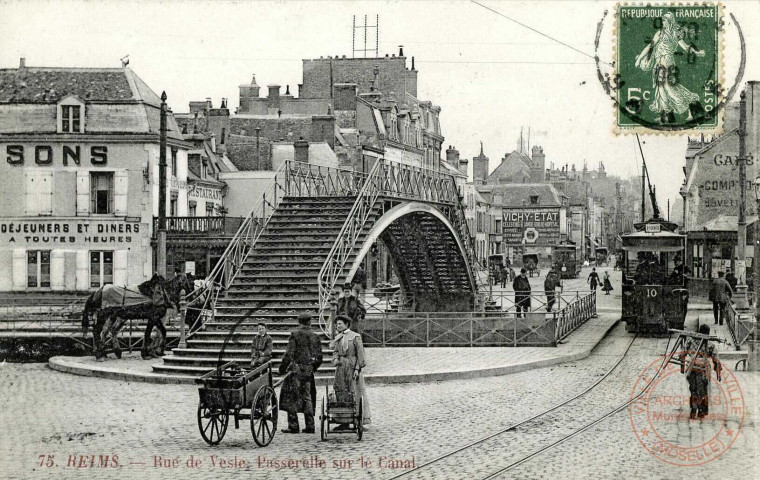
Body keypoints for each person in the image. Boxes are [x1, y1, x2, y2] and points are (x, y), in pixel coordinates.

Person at [634, 12, 705, 121]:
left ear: (670, 21)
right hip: (660, 62)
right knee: (661, 88)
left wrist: (697, 52)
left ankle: (692, 106)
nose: (663, 22)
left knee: (669, 87)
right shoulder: (660, 33)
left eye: (665, 20)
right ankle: (666, 115)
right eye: (662, 20)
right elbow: (651, 46)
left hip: (666, 62)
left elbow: (685, 47)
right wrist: (639, 59)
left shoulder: (674, 33)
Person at [278, 313, 323, 434]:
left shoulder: (295, 335)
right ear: (310, 322)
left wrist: (282, 369)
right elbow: (319, 357)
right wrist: (313, 367)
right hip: (308, 370)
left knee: (291, 397)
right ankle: (310, 425)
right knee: (307, 397)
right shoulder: (315, 336)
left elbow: (289, 354)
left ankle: (293, 426)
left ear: (299, 322)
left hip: (295, 370)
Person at [330, 315, 371, 430]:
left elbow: (360, 354)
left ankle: (358, 421)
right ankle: (344, 421)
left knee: (355, 392)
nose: (337, 326)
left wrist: (357, 369)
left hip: (352, 368)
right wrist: (335, 359)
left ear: (347, 324)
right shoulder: (338, 338)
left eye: (340, 324)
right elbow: (335, 352)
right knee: (341, 392)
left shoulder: (355, 337)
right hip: (341, 368)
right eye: (337, 324)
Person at [680, 324, 721, 419]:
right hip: (703, 370)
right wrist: (718, 372)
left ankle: (693, 410)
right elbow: (716, 359)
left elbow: (682, 354)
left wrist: (682, 368)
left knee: (693, 388)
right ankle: (701, 410)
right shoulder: (710, 344)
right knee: (702, 389)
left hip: (691, 368)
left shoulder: (690, 340)